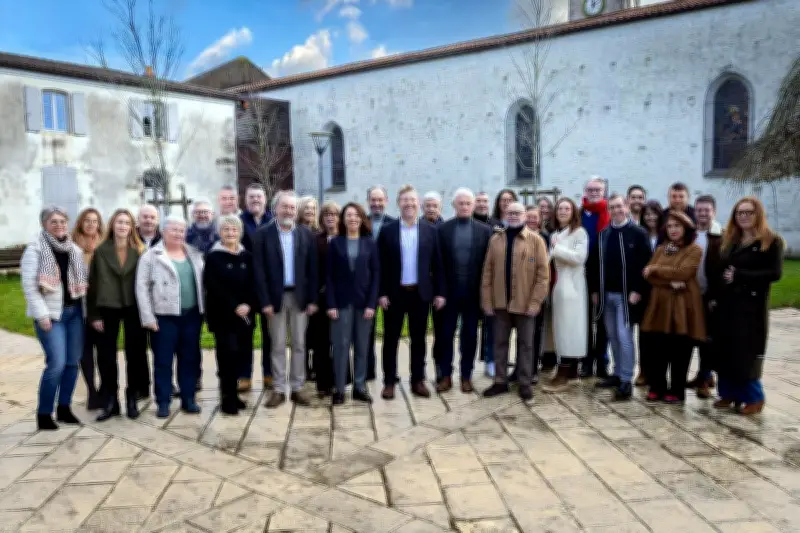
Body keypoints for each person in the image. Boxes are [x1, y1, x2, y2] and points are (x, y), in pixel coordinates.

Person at [713, 197, 783, 415]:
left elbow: (775, 273)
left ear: (757, 214)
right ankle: (728, 393)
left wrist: (741, 275)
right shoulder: (731, 240)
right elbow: (721, 270)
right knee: (725, 349)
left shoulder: (771, 241)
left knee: (746, 352)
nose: (743, 216)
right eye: (739, 213)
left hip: (751, 306)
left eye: (748, 212)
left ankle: (754, 397)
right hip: (727, 304)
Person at [22, 206, 87, 431]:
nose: (59, 225)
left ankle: (64, 408)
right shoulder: (35, 250)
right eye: (54, 221)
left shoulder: (74, 250)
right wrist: (41, 315)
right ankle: (44, 413)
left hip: (74, 313)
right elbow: (30, 287)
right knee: (56, 364)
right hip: (51, 316)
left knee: (72, 363)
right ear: (44, 224)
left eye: (62, 221)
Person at [378, 185, 445, 400]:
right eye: (405, 200)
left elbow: (438, 265)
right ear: (399, 203)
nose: (409, 204)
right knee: (391, 339)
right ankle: (389, 382)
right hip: (394, 294)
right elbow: (380, 265)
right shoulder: (387, 230)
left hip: (420, 294)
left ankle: (418, 380)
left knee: (419, 339)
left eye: (413, 200)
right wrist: (381, 293)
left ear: (419, 204)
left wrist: (440, 293)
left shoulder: (430, 231)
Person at [252, 191, 319, 408]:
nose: (289, 211)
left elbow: (313, 270)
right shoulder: (263, 235)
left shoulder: (305, 235)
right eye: (285, 207)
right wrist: (264, 302)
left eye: (292, 207)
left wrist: (312, 300)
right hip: (275, 298)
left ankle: (298, 388)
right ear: (275, 209)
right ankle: (279, 389)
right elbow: (259, 272)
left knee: (300, 344)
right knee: (278, 344)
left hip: (300, 298)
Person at [136, 215, 205, 418]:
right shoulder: (151, 256)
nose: (178, 233)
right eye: (173, 229)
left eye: (181, 230)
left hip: (191, 315)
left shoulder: (194, 253)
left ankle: (188, 399)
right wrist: (148, 317)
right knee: (163, 361)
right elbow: (141, 288)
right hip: (164, 317)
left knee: (189, 359)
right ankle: (163, 402)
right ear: (163, 232)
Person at [480, 202, 549, 401]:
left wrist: (536, 302)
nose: (513, 216)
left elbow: (543, 276)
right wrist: (487, 301)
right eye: (510, 212)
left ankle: (524, 383)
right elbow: (487, 272)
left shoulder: (536, 241)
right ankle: (500, 381)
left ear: (525, 215)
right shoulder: (496, 240)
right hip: (500, 303)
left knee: (526, 344)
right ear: (505, 215)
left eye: (517, 212)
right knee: (499, 343)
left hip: (525, 304)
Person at [589, 195, 652, 400]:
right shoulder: (604, 234)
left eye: (619, 206)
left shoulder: (638, 233)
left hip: (627, 295)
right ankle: (616, 373)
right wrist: (595, 290)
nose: (616, 210)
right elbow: (594, 264)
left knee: (625, 337)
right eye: (612, 207)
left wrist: (638, 290)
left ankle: (626, 379)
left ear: (626, 207)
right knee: (612, 335)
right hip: (606, 294)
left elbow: (646, 264)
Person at [88, 209, 146, 421]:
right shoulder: (101, 251)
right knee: (106, 356)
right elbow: (92, 284)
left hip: (133, 307)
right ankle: (111, 401)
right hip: (107, 307)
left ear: (132, 228)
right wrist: (94, 315)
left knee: (135, 354)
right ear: (112, 225)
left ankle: (132, 397)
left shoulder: (139, 251)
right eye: (119, 222)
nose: (123, 226)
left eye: (127, 223)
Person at [641, 211, 705, 404]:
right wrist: (669, 281)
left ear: (686, 228)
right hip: (660, 304)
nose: (673, 230)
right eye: (669, 226)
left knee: (680, 348)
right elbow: (648, 276)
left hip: (683, 305)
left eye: (677, 226)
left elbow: (684, 273)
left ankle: (677, 390)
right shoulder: (663, 248)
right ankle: (657, 386)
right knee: (658, 346)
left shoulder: (694, 249)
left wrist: (656, 269)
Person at [436, 188, 492, 393]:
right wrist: (440, 292)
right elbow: (438, 264)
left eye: (468, 203)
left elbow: (488, 265)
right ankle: (446, 376)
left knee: (469, 336)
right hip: (448, 294)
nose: (465, 206)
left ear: (473, 205)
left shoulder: (485, 231)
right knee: (445, 335)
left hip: (473, 294)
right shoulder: (443, 230)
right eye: (461, 203)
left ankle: (466, 376)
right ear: (454, 205)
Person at [327, 202, 380, 405]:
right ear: (343, 219)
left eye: (356, 215)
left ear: (362, 219)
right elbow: (329, 276)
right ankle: (339, 388)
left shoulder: (370, 243)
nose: (353, 218)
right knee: (340, 346)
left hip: (363, 303)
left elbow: (376, 275)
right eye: (349, 215)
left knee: (362, 346)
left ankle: (359, 386)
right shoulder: (335, 243)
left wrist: (372, 304)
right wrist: (331, 304)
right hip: (340, 304)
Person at [203, 215, 256, 415]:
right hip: (224, 316)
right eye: (226, 229)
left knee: (241, 355)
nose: (230, 233)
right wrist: (234, 305)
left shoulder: (247, 256)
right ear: (220, 232)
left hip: (245, 316)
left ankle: (235, 395)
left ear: (240, 232)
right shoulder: (213, 257)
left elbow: (254, 283)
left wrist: (249, 304)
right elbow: (213, 286)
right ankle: (227, 398)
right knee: (227, 356)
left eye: (234, 229)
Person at [542, 198, 589, 393]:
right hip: (560, 284)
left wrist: (557, 248)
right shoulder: (555, 234)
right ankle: (572, 373)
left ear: (573, 212)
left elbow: (579, 257)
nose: (562, 211)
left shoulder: (579, 232)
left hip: (573, 285)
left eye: (567, 208)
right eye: (560, 208)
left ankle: (564, 373)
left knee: (571, 328)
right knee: (562, 329)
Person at [686, 195, 723, 398]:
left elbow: (722, 269)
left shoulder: (720, 236)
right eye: (699, 210)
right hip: (689, 294)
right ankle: (702, 375)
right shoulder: (689, 234)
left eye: (706, 210)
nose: (702, 213)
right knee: (692, 336)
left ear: (713, 212)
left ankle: (705, 379)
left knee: (707, 340)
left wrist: (716, 296)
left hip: (709, 296)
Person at [238, 183, 273, 392]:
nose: (255, 200)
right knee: (245, 334)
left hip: (268, 288)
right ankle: (244, 376)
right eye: (251, 197)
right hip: (246, 287)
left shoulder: (273, 221)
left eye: (259, 197)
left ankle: (269, 374)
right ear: (246, 200)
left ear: (265, 200)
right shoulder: (239, 222)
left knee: (270, 335)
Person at [481, 188, 519, 377]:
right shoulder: (491, 224)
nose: (506, 202)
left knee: (510, 326)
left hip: (515, 283)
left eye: (510, 199)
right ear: (498, 203)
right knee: (493, 326)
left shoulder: (518, 224)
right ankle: (490, 360)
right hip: (496, 283)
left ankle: (504, 359)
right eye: (503, 200)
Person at [71, 208, 104, 410]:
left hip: (100, 308)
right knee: (85, 351)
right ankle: (92, 391)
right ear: (81, 223)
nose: (91, 224)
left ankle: (104, 390)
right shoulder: (72, 247)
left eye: (95, 221)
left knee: (103, 351)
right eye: (87, 220)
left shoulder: (104, 245)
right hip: (78, 307)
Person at [310, 201, 342, 397]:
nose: (330, 217)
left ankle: (340, 381)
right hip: (320, 298)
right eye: (327, 214)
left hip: (341, 298)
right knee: (321, 342)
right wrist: (312, 300)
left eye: (334, 214)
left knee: (339, 341)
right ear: (321, 218)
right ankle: (323, 383)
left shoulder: (346, 238)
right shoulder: (315, 240)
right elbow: (311, 272)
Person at [580, 176, 611, 379]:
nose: (594, 193)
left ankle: (602, 361)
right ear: (585, 191)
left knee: (602, 322)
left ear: (603, 192)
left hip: (603, 273)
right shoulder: (579, 213)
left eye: (598, 190)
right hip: (582, 272)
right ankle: (585, 361)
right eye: (590, 189)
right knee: (584, 320)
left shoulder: (610, 213)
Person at [366, 185, 396, 381]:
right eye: (373, 200)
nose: (376, 203)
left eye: (380, 200)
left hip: (388, 286)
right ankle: (368, 371)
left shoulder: (395, 224)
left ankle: (390, 373)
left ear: (386, 201)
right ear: (368, 201)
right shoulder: (361, 223)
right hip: (365, 286)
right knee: (366, 332)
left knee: (390, 333)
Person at [297, 195, 321, 380]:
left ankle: (317, 367)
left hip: (319, 288)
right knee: (302, 334)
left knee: (316, 332)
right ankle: (303, 368)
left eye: (312, 208)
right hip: (301, 288)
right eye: (306, 208)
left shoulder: (319, 232)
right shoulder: (295, 232)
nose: (310, 212)